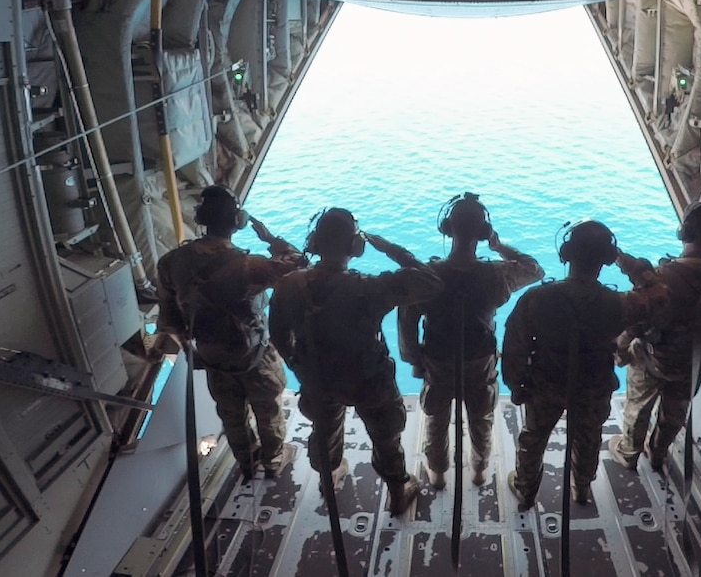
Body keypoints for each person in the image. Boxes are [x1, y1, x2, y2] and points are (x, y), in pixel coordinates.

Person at [268, 208, 444, 516]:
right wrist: (390, 248)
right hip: (369, 381)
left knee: (323, 430)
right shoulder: (370, 288)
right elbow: (431, 282)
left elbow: (279, 335)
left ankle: (328, 477)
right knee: (386, 438)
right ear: (354, 247)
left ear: (314, 242)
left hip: (319, 380)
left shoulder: (287, 286)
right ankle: (398, 491)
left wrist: (299, 367)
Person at [501, 220, 667, 509]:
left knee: (533, 439)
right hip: (593, 386)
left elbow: (514, 348)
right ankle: (581, 488)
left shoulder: (536, 299)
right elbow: (659, 295)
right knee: (588, 439)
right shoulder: (619, 304)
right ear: (606, 258)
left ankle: (526, 488)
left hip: (546, 385)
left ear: (566, 253)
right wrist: (627, 263)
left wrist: (517, 386)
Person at [154, 185, 305, 481]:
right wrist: (272, 240)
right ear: (237, 221)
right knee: (268, 408)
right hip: (254, 356)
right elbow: (298, 265)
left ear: (201, 219)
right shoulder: (250, 266)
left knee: (231, 414)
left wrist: (192, 350)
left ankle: (247, 464)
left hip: (211, 355)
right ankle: (273, 460)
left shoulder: (171, 262)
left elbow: (171, 321)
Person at [398, 193, 544, 489]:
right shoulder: (497, 274)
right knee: (481, 419)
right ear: (483, 232)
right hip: (480, 361)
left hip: (437, 360)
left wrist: (414, 360)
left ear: (446, 228)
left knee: (436, 419)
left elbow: (407, 318)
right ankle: (479, 471)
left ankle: (437, 475)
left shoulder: (429, 274)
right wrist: (499, 245)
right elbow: (534, 269)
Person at [609, 201, 701, 472]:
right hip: (695, 360)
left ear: (685, 233)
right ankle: (657, 454)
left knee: (638, 408)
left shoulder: (664, 278)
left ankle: (628, 452)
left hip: (655, 359)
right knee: (674, 414)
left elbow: (636, 324)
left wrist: (619, 351)